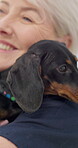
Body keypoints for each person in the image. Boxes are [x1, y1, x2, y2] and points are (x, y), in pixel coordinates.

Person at [0, 0, 78, 147]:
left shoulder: (59, 114)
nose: (2, 25)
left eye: (27, 18)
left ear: (64, 44)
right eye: (1, 10)